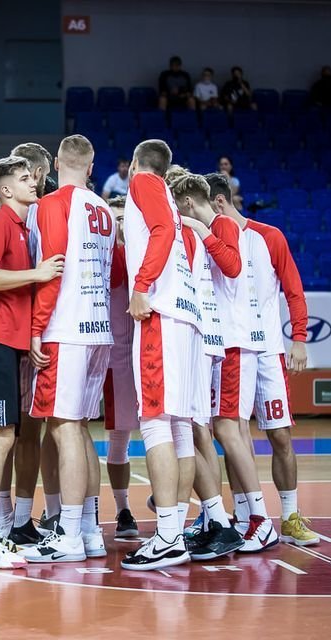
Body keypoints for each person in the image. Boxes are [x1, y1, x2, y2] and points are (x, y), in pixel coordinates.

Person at [205, 172, 320, 548]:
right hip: (231, 350)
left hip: (268, 350)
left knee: (280, 435)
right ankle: (243, 517)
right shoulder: (209, 240)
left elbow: (294, 291)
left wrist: (298, 340)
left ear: (218, 202)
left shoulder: (268, 236)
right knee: (233, 434)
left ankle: (289, 516)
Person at [0, 156, 63, 569]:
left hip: (7, 342)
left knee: (2, 435)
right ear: (5, 190)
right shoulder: (0, 222)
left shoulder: (21, 228)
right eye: (24, 178)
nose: (32, 183)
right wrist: (36, 275)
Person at [20, 134, 118, 563]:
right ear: (92, 167)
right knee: (78, 429)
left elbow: (52, 269)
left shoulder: (53, 205)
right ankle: (91, 531)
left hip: (67, 327)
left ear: (56, 163)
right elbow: (116, 274)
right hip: (99, 327)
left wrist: (37, 328)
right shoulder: (104, 210)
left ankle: (70, 534)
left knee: (62, 428)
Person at [119, 139, 200, 571]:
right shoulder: (167, 194)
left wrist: (141, 285)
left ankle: (168, 538)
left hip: (160, 315)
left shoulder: (144, 183)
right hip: (183, 317)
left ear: (135, 164)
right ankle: (176, 531)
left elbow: (162, 234)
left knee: (154, 422)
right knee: (179, 427)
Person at [168, 172, 250, 560]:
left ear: (185, 203)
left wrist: (201, 229)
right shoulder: (206, 228)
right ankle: (212, 518)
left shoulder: (219, 225)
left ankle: (222, 520)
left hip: (217, 340)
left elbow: (232, 266)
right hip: (208, 338)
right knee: (199, 431)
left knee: (201, 430)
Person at [102, 196, 140, 539]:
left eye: (125, 219)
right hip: (103, 353)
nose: (120, 224)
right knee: (71, 431)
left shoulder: (139, 255)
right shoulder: (106, 254)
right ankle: (75, 505)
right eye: (114, 218)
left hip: (133, 357)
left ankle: (124, 509)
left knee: (123, 441)